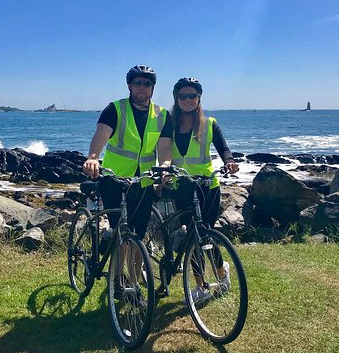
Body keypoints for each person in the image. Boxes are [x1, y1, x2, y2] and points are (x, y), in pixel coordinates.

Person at [82, 65, 173, 241]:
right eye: (137, 82)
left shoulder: (162, 115)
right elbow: (101, 134)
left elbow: (164, 148)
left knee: (138, 235)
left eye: (146, 83)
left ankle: (136, 270)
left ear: (153, 87)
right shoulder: (115, 109)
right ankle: (117, 268)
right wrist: (93, 158)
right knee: (120, 233)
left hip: (143, 181)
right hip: (114, 179)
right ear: (129, 86)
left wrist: (165, 166)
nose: (142, 87)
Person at [169, 77, 239, 302]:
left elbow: (224, 148)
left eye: (192, 96)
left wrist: (229, 162)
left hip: (207, 187)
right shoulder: (169, 124)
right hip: (182, 187)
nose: (188, 100)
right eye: (183, 96)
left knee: (204, 234)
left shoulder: (209, 123)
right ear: (176, 99)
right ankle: (201, 286)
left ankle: (221, 272)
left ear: (199, 98)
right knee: (192, 236)